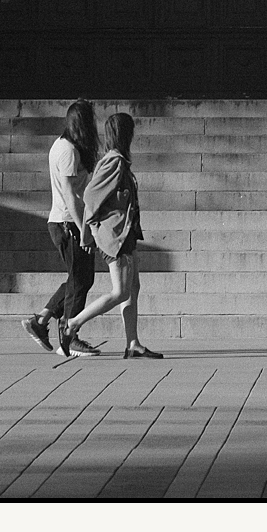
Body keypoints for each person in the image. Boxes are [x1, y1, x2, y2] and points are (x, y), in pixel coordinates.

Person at [59, 112, 160, 359]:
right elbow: (91, 196)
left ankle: (133, 343)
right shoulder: (114, 162)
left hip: (125, 234)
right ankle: (71, 324)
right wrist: (92, 230)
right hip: (115, 236)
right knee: (120, 292)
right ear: (126, 135)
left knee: (132, 287)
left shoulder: (117, 160)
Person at [25, 100, 99, 356]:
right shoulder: (68, 150)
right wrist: (84, 231)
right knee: (81, 280)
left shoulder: (63, 146)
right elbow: (70, 195)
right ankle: (69, 337)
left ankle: (41, 321)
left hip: (64, 221)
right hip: (68, 222)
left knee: (78, 278)